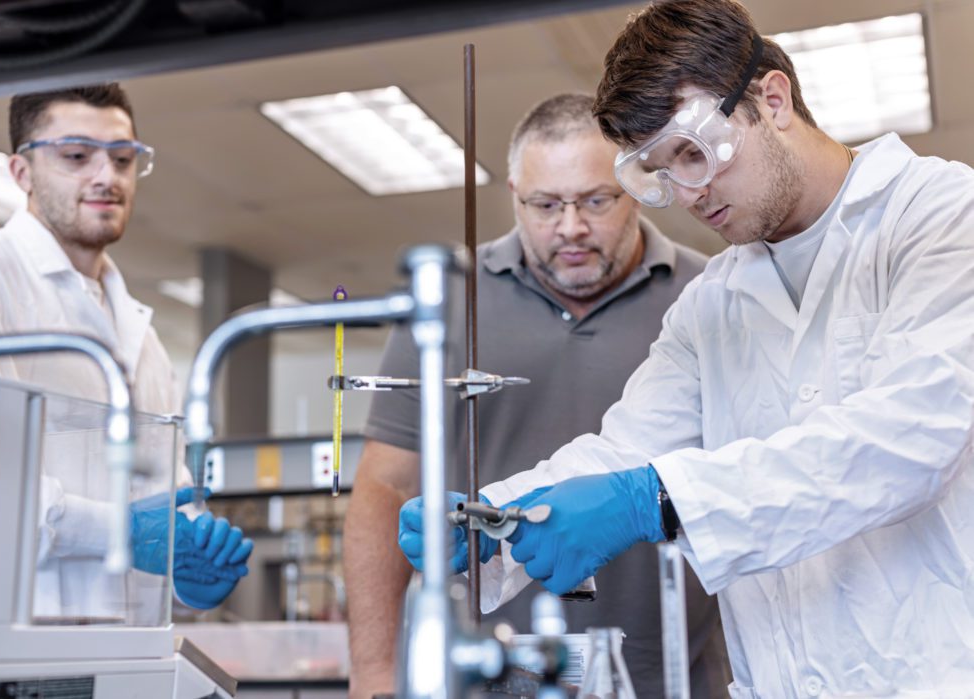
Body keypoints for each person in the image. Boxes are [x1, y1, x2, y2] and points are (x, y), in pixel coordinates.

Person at [401, 0, 974, 695]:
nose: (688, 193)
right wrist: (494, 514)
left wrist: (656, 499)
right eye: (659, 173)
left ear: (772, 98)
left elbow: (904, 438)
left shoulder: (941, 215)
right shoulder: (713, 301)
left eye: (694, 153)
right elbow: (626, 450)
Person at [345, 93, 729, 698]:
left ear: (636, 183)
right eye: (545, 205)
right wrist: (373, 674)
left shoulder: (710, 293)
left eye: (596, 201)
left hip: (678, 674)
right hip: (493, 674)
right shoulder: (448, 301)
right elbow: (384, 487)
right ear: (515, 195)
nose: (570, 227)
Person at [0, 84, 252, 619]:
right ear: (21, 172)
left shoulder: (143, 340)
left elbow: (166, 497)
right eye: (77, 156)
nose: (106, 176)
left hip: (127, 659)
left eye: (122, 159)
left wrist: (191, 568)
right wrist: (116, 530)